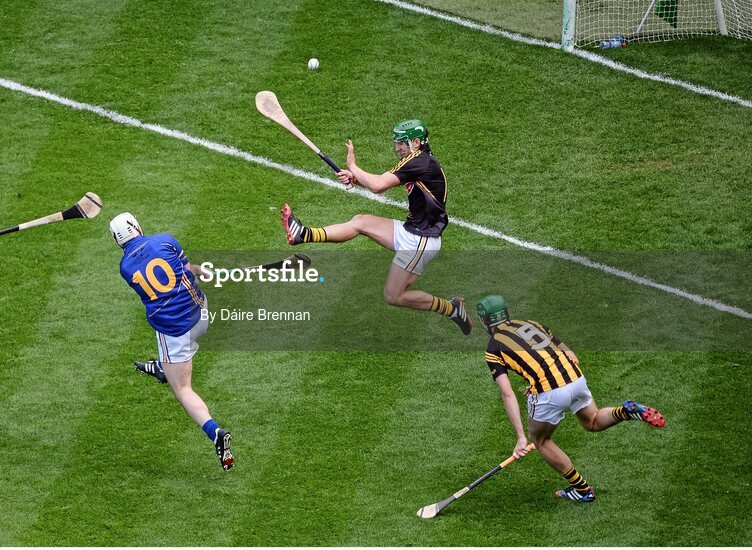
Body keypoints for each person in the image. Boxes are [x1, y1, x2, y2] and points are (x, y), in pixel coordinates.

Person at [280, 119, 471, 334]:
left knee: (394, 296)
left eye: (402, 143)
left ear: (416, 142)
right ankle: (304, 234)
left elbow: (378, 186)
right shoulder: (417, 160)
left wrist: (353, 167)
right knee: (360, 221)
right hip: (411, 231)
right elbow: (380, 182)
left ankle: (451, 308)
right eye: (396, 142)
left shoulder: (420, 162)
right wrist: (355, 178)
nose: (397, 147)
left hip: (421, 240)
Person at [477, 294, 665, 502]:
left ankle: (583, 490)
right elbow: (571, 355)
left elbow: (507, 392)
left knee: (540, 440)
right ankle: (626, 410)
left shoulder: (493, 347)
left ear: (485, 320)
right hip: (575, 378)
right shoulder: (532, 324)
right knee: (592, 420)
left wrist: (521, 437)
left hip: (550, 392)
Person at [110, 212, 234, 471]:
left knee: (182, 389)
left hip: (176, 333)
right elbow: (188, 272)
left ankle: (215, 432)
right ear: (137, 226)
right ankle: (162, 368)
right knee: (170, 315)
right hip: (201, 312)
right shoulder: (165, 240)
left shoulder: (125, 268)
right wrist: (204, 271)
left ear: (116, 241)